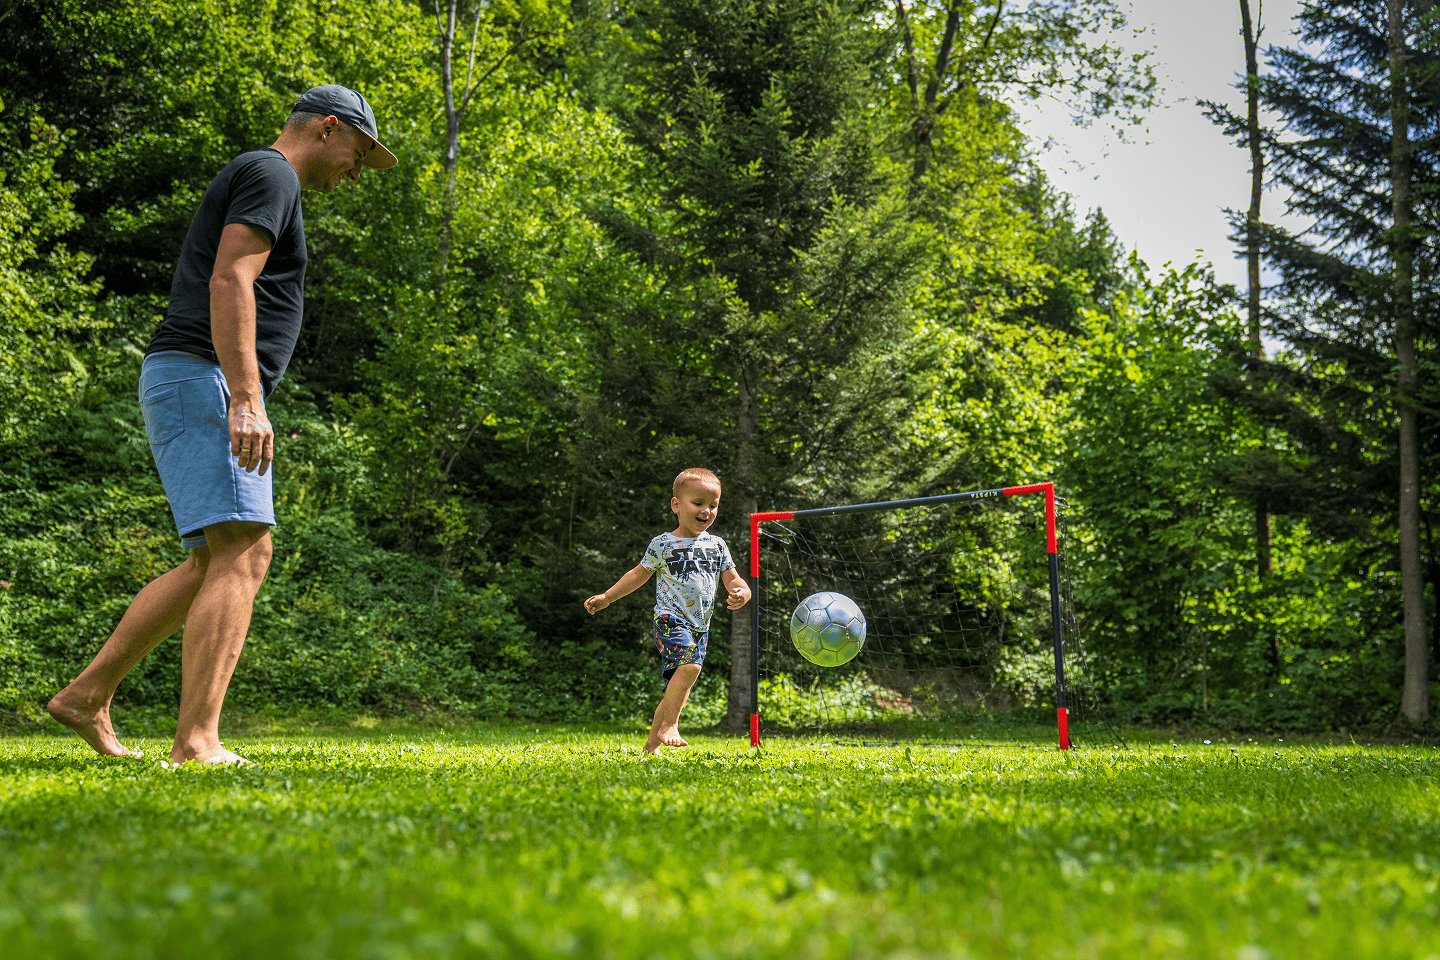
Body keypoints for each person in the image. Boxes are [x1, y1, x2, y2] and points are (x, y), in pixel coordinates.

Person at [46, 85, 399, 765]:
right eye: (360, 152)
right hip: (205, 374)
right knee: (246, 549)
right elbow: (231, 279)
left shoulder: (266, 178)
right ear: (330, 128)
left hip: (191, 375)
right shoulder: (272, 173)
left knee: (214, 556)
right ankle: (197, 741)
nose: (358, 171)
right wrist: (245, 396)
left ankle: (86, 697)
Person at [585, 468, 752, 754]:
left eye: (713, 505)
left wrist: (743, 591)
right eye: (698, 503)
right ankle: (669, 726)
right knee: (690, 666)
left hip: (701, 626)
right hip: (669, 618)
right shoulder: (663, 544)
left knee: (678, 688)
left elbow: (732, 578)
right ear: (676, 505)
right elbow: (637, 575)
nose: (706, 510)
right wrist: (608, 597)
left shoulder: (717, 545)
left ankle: (651, 746)